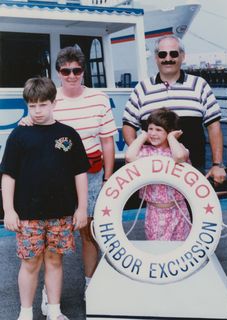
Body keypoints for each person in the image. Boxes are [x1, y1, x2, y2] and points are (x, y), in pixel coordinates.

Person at [20, 46, 117, 303]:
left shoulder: (99, 98)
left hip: (93, 174)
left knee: (88, 232)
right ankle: (45, 294)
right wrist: (26, 122)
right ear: (59, 73)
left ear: (83, 72)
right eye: (66, 71)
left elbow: (107, 142)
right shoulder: (50, 98)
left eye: (77, 70)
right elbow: (35, 121)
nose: (72, 75)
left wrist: (108, 178)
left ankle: (89, 285)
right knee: (46, 237)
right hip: (57, 177)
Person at [0, 77, 90, 320]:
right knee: (30, 263)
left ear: (54, 103)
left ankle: (54, 310)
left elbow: (80, 173)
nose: (37, 111)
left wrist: (82, 208)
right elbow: (8, 175)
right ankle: (25, 313)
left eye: (42, 104)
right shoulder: (19, 135)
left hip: (61, 213)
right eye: (32, 106)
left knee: (54, 261)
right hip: (27, 214)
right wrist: (9, 210)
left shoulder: (68, 134)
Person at [122, 35, 226, 184]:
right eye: (162, 54)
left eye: (174, 54)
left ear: (182, 56)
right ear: (156, 58)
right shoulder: (142, 88)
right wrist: (140, 156)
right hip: (153, 173)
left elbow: (214, 126)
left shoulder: (199, 85)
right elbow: (128, 126)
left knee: (193, 208)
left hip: (193, 169)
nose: (168, 58)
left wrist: (217, 164)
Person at [125, 108, 191, 240]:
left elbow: (179, 157)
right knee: (158, 248)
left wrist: (172, 138)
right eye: (150, 129)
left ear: (170, 131)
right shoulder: (145, 151)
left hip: (178, 210)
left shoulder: (180, 149)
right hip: (154, 212)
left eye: (159, 130)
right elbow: (129, 156)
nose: (153, 133)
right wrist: (143, 136)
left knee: (180, 247)